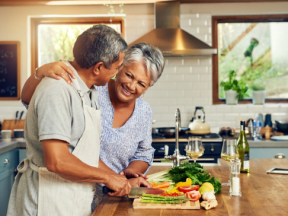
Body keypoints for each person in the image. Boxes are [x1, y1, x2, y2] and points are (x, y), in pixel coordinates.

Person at [21, 42, 165, 211]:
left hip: (117, 192)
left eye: (142, 84)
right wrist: (40, 72)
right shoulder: (92, 89)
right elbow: (30, 98)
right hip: (71, 189)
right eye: (129, 75)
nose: (131, 86)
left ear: (149, 86)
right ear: (120, 67)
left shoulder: (144, 111)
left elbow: (144, 152)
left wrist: (125, 176)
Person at [7, 25, 132, 216]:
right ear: (98, 67)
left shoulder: (89, 92)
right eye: (115, 69)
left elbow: (83, 154)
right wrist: (107, 178)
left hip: (70, 198)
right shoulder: (57, 90)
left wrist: (120, 179)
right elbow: (57, 161)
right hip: (45, 202)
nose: (115, 75)